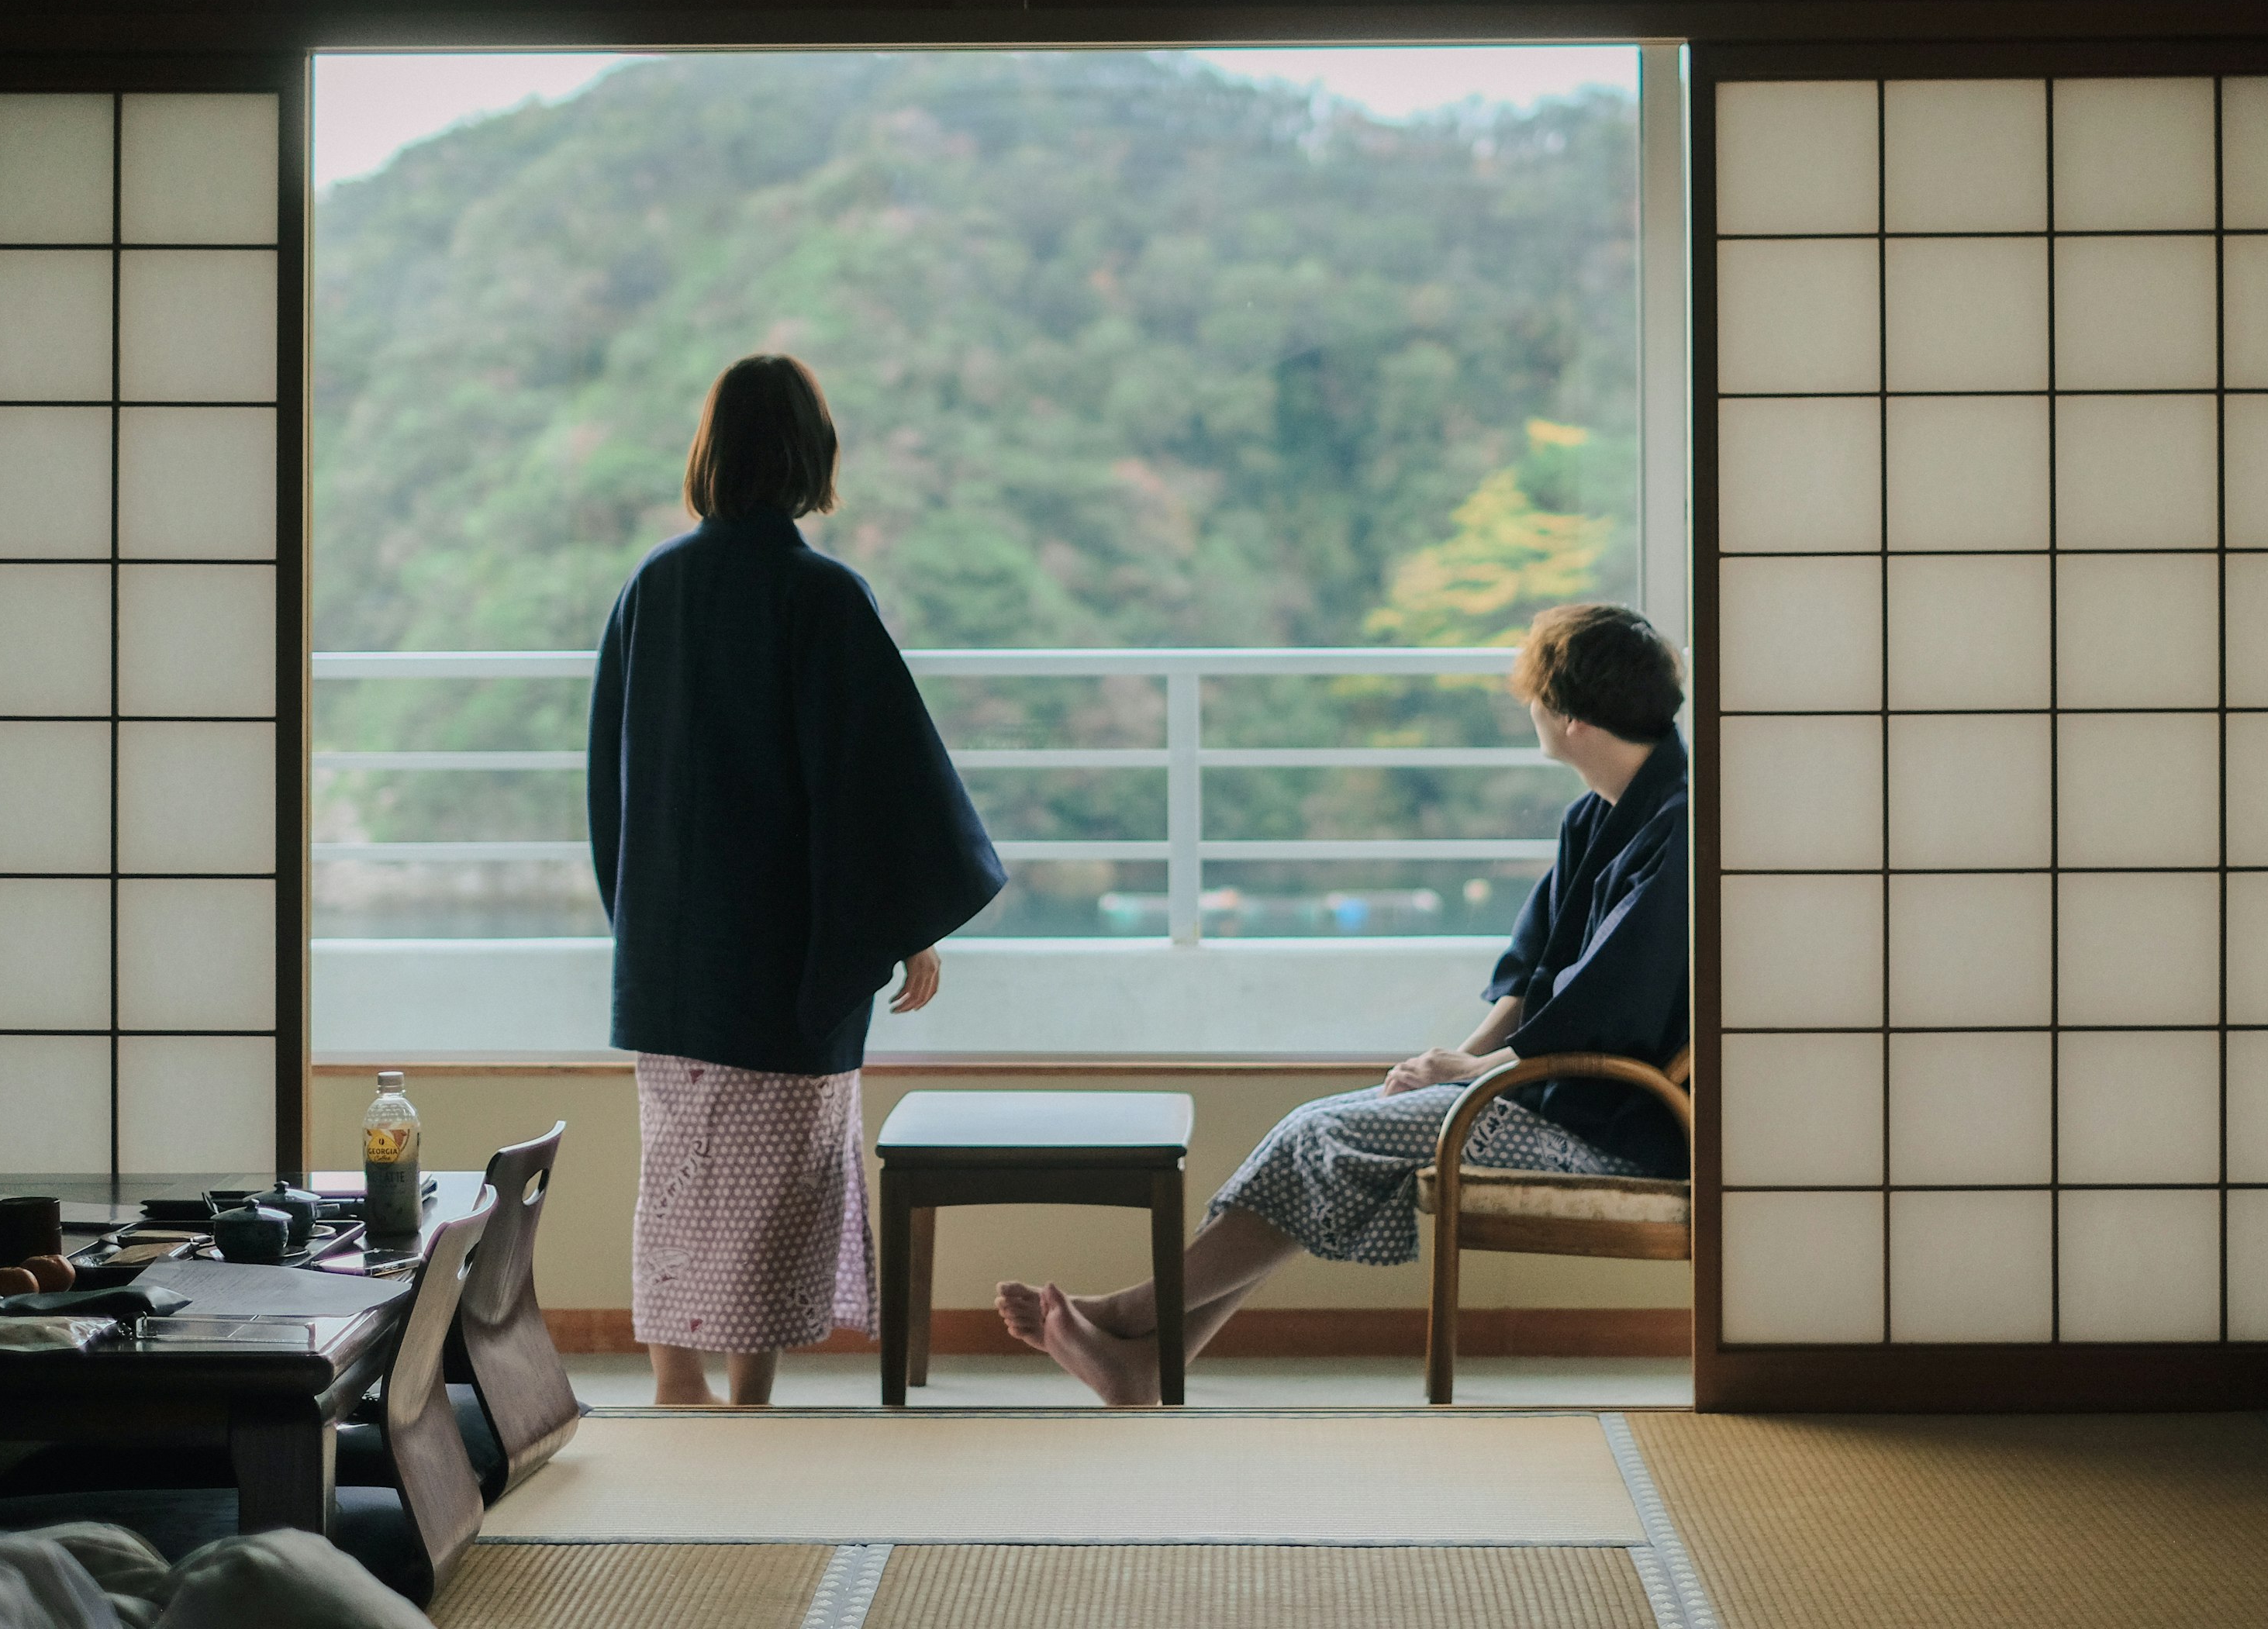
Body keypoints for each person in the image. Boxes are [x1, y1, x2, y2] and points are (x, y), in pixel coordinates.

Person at [997, 601, 1686, 1405]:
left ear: (1567, 716)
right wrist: (1455, 1065)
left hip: (1613, 1127)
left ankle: (1132, 1314)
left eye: (1535, 694)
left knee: (1330, 1134)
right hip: (1536, 1090)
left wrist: (1475, 1073)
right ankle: (1147, 1364)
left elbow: (1610, 1003)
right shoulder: (1595, 816)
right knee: (1314, 1131)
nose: (1527, 706)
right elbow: (1532, 977)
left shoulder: (1678, 825)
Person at [589, 354, 1005, 1406]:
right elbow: (879, 778)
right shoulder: (819, 594)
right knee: (780, 1186)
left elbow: (613, 782)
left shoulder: (654, 586)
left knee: (677, 1177)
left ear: (711, 455)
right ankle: (749, 1393)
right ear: (815, 459)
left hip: (674, 955)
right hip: (783, 954)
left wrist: (641, 924)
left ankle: (673, 1379)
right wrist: (910, 923)